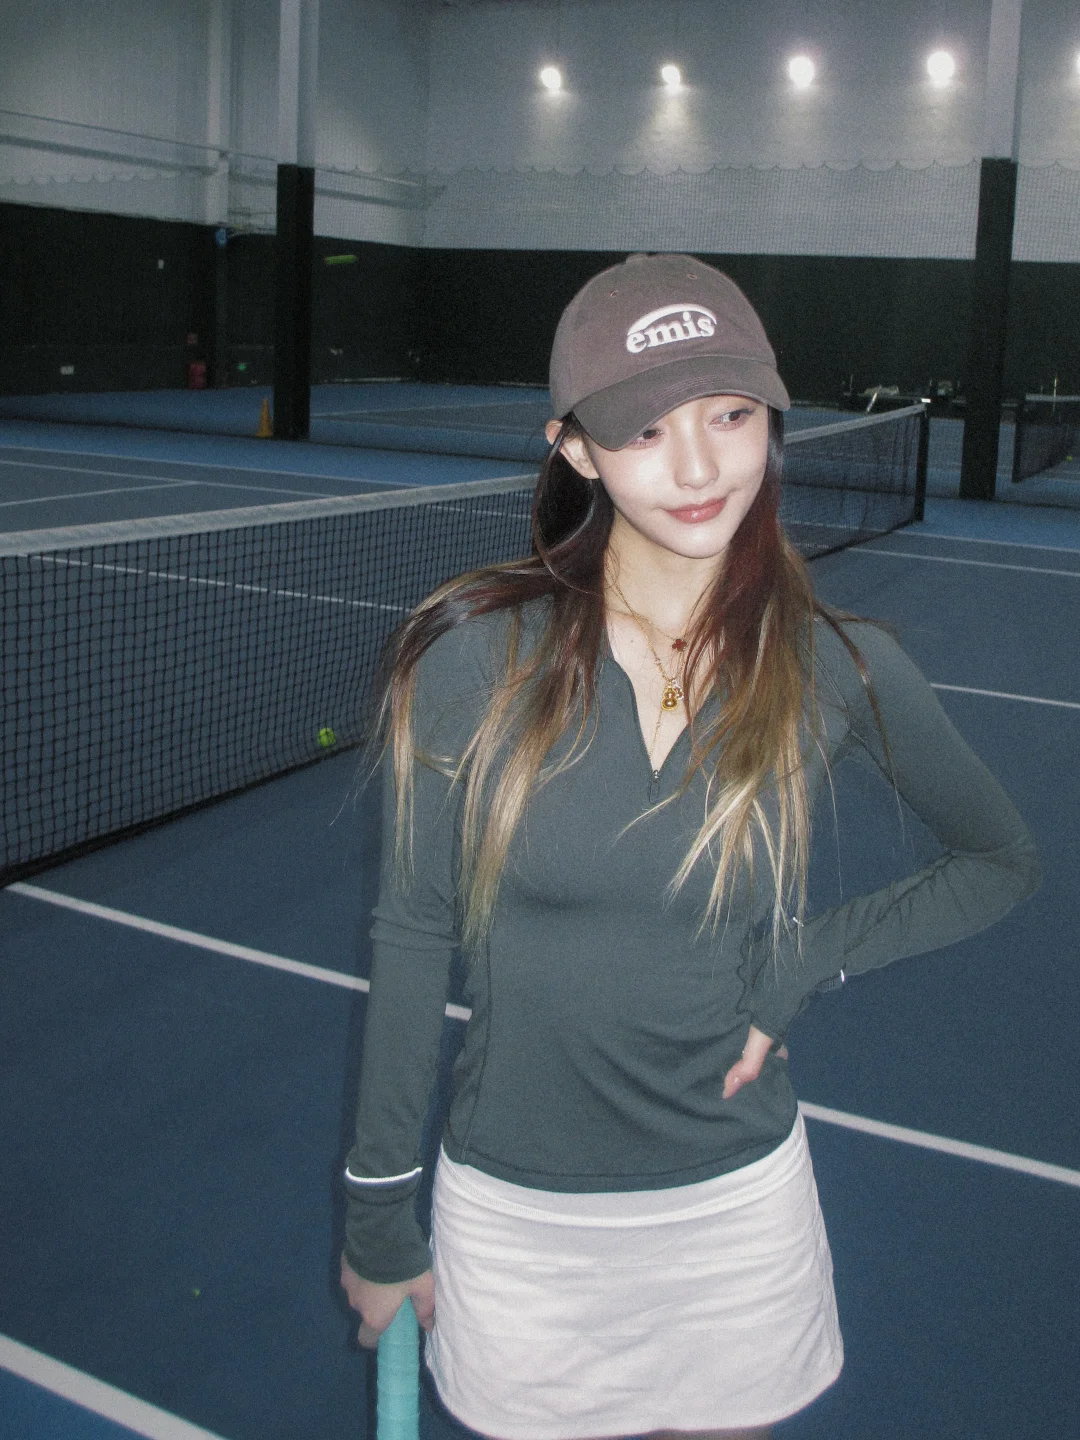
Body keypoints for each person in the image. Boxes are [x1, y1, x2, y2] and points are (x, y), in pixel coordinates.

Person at [338, 254, 1039, 1440]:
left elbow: (999, 859)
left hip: (736, 1220)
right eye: (647, 430)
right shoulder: (472, 661)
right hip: (521, 1225)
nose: (703, 467)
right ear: (574, 450)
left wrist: (803, 958)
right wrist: (376, 1219)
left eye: (731, 415)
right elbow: (411, 938)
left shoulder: (837, 666)